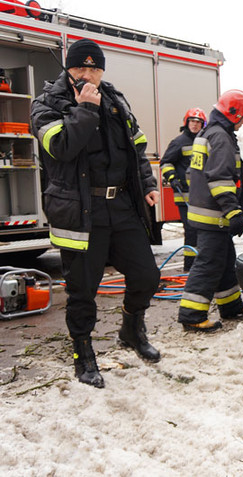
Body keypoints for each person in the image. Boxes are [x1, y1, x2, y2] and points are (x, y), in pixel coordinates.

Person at [31, 38, 162, 388]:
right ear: (68, 69)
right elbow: (61, 148)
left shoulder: (116, 99)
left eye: (94, 68)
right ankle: (83, 354)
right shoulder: (46, 105)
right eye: (80, 68)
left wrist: (147, 183)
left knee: (147, 277)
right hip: (80, 212)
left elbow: (137, 147)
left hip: (122, 206)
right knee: (83, 291)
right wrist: (84, 110)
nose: (88, 74)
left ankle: (131, 330)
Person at [178, 89, 243, 332]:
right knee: (209, 264)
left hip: (207, 213)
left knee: (224, 261)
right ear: (232, 113)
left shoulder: (208, 133)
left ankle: (231, 305)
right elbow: (220, 180)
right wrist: (233, 213)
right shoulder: (220, 137)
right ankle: (191, 315)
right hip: (215, 216)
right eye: (242, 117)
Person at [160, 108, 206, 271]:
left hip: (201, 195)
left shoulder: (205, 141)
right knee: (191, 231)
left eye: (198, 122)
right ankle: (190, 266)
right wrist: (172, 178)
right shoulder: (179, 142)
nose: (195, 125)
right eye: (192, 121)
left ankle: (199, 265)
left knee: (202, 231)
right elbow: (165, 163)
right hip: (184, 195)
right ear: (186, 123)